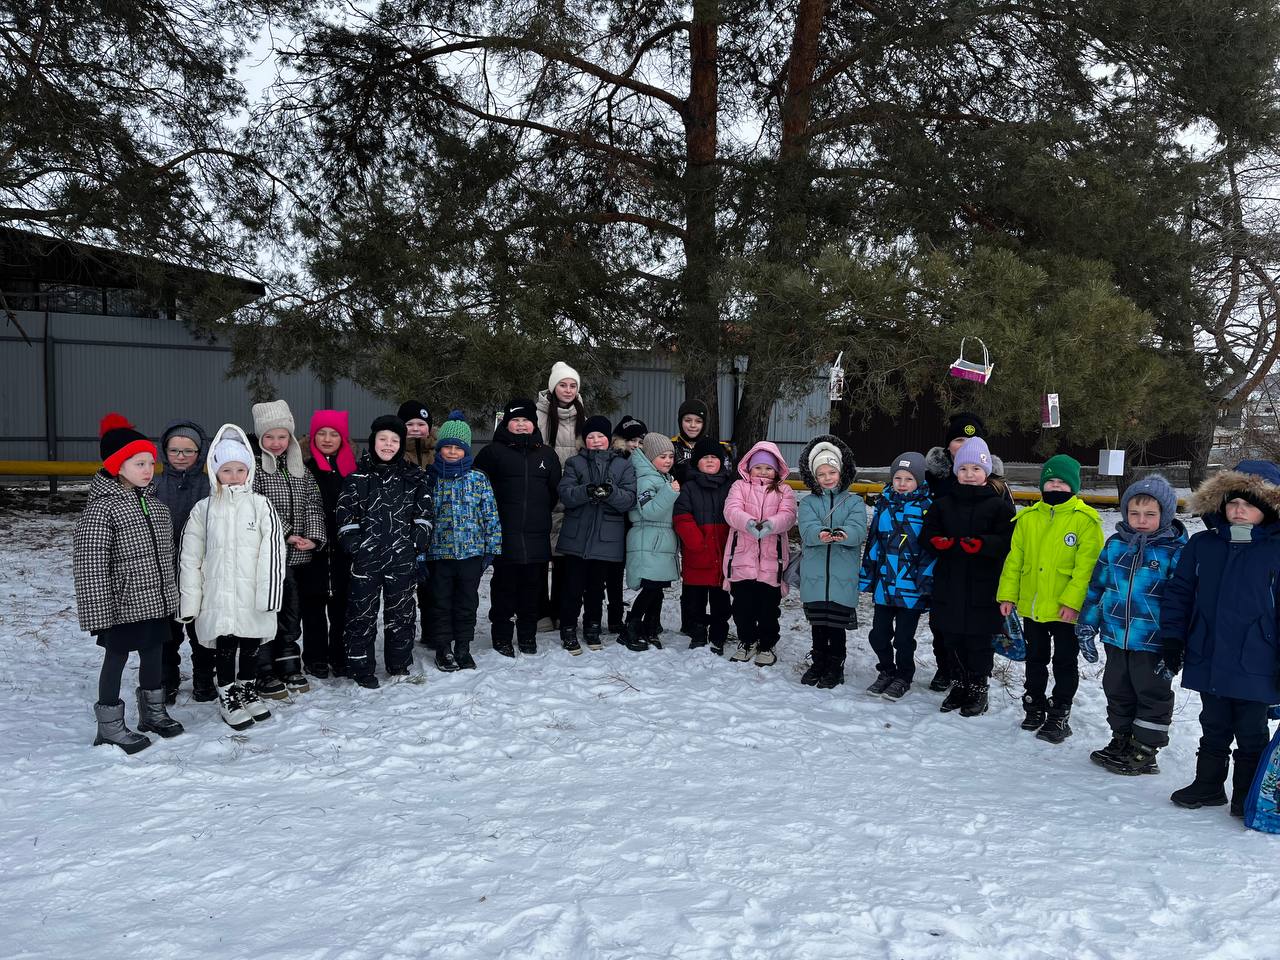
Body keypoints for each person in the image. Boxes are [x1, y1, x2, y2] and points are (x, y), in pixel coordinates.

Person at [1160, 460, 1280, 816]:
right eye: (1232, 502)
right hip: (1209, 651)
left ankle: (1246, 793)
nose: (1239, 510)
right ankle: (1209, 784)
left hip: (1257, 657)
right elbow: (1180, 592)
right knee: (1212, 725)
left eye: (1249, 504)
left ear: (1268, 508)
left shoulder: (1275, 550)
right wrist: (1173, 639)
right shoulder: (1203, 545)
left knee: (1251, 733)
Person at [74, 413, 184, 753]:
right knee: (116, 658)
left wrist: (171, 599)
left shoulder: (157, 507)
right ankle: (109, 726)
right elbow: (90, 566)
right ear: (118, 466)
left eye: (151, 462)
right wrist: (100, 613)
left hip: (154, 602)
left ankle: (152, 714)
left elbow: (167, 558)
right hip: (120, 605)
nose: (148, 469)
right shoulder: (101, 510)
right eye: (139, 463)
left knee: (154, 655)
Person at [1075, 475, 1187, 774]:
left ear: (1165, 515)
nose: (1140, 520)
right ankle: (1122, 738)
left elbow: (1182, 601)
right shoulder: (1115, 545)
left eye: (1150, 514)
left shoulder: (1175, 551)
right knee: (1117, 688)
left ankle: (1145, 749)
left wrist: (1178, 643)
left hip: (1153, 641)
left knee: (1151, 693)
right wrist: (1087, 624)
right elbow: (1097, 588)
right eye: (1134, 513)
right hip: (1115, 636)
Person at [177, 425, 285, 730]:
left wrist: (269, 593)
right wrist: (190, 601)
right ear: (215, 472)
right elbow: (190, 556)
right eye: (227, 470)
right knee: (225, 646)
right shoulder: (204, 509)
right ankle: (227, 693)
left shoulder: (261, 505)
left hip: (252, 594)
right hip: (219, 595)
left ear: (249, 471)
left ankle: (247, 688)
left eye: (240, 469)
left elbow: (273, 549)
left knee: (251, 644)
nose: (234, 475)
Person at [998, 455, 1104, 743]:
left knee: (1064, 662)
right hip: (1033, 606)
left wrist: (1072, 602)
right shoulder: (1028, 519)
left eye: (1062, 482)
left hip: (1064, 610)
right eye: (1050, 481)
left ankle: (1060, 712)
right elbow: (1014, 560)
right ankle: (1034, 704)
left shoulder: (1085, 521)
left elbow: (1087, 569)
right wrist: (1007, 594)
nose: (1055, 486)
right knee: (1035, 658)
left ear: (1074, 486)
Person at [337, 415, 435, 688]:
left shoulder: (414, 477)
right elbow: (346, 517)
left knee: (402, 613)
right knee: (361, 614)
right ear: (373, 442)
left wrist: (415, 542)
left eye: (394, 440)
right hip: (366, 559)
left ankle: (399, 663)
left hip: (402, 558)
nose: (388, 445)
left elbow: (425, 514)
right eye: (383, 439)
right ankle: (360, 667)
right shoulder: (356, 478)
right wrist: (356, 546)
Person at [920, 437, 1015, 717]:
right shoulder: (943, 504)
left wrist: (984, 545)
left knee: (978, 641)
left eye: (976, 469)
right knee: (951, 638)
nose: (969, 475)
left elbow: (1009, 541)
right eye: (964, 469)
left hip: (982, 587)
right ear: (955, 472)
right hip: (949, 583)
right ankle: (959, 683)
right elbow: (927, 534)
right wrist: (938, 542)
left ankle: (977, 688)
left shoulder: (999, 506)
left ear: (986, 472)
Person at [251, 399, 327, 699]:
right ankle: (264, 667)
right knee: (268, 611)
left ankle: (288, 661)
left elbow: (313, 504)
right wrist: (288, 534)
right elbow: (258, 505)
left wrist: (313, 537)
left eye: (282, 436)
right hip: (269, 556)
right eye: (269, 437)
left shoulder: (302, 470)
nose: (277, 442)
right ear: (260, 439)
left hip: (297, 556)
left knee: (292, 612)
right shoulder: (255, 469)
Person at [475, 398, 562, 657]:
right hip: (504, 536)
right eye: (516, 420)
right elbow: (479, 490)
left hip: (536, 536)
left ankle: (527, 636)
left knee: (532, 590)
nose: (521, 425)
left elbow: (554, 492)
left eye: (526, 420)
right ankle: (501, 637)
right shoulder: (491, 453)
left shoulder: (547, 455)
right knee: (504, 589)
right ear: (506, 423)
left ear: (534, 424)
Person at [424, 413, 502, 671]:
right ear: (439, 448)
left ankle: (463, 647)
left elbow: (490, 514)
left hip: (471, 554)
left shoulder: (478, 479)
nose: (453, 452)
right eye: (448, 446)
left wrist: (491, 548)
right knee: (441, 601)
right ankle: (443, 647)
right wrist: (420, 552)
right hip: (439, 554)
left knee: (467, 601)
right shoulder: (430, 479)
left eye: (458, 448)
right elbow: (421, 516)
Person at [556, 415, 637, 654]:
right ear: (584, 440)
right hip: (577, 536)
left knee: (595, 587)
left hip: (606, 538)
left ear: (609, 439)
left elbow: (629, 500)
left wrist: (610, 493)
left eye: (600, 436)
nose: (596, 440)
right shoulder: (574, 463)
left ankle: (592, 627)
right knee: (572, 586)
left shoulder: (623, 465)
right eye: (590, 436)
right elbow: (566, 493)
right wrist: (587, 491)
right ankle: (568, 627)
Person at [859, 452, 935, 700]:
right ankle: (886, 670)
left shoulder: (927, 509)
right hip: (884, 584)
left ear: (920, 481)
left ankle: (903, 675)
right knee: (878, 634)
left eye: (909, 479)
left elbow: (929, 550)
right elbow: (874, 544)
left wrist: (926, 582)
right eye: (898, 478)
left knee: (903, 638)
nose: (902, 483)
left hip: (911, 587)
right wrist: (867, 576)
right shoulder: (884, 504)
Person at [152, 418, 215, 704]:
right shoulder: (153, 485)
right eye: (175, 450)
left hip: (201, 571)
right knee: (168, 631)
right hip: (163, 571)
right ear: (165, 451)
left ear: (199, 453)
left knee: (201, 629)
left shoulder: (211, 485)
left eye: (188, 451)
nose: (180, 456)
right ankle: (168, 677)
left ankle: (204, 676)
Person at [797, 435, 866, 688]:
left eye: (832, 471)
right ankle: (819, 661)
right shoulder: (808, 503)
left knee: (835, 626)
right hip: (815, 576)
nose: (827, 478)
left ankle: (835, 666)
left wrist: (845, 534)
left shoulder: (855, 502)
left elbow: (859, 528)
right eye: (821, 473)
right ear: (814, 477)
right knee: (818, 625)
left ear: (841, 471)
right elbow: (807, 528)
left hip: (841, 576)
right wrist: (819, 534)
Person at [723, 442, 798, 666]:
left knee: (768, 609)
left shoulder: (785, 490)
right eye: (758, 467)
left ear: (777, 470)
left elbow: (789, 515)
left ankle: (766, 644)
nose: (763, 472)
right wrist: (747, 522)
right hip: (742, 558)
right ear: (749, 467)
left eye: (768, 468)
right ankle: (747, 641)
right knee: (742, 607)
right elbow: (731, 510)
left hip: (771, 561)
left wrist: (771, 524)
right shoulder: (739, 487)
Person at [299, 409, 358, 678]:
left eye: (333, 434)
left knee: (342, 607)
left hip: (344, 551)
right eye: (321, 433)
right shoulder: (303, 468)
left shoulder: (352, 470)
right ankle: (315, 657)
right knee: (313, 607)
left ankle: (339, 654)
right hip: (314, 550)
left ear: (342, 438)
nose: (327, 438)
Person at [673, 436, 735, 654]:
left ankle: (718, 635)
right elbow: (682, 516)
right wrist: (696, 542)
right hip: (697, 554)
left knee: (720, 603)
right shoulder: (689, 487)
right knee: (695, 602)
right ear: (696, 461)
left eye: (714, 457)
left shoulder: (729, 487)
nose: (710, 461)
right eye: (705, 457)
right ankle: (698, 633)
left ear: (722, 461)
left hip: (721, 556)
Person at [620, 433, 682, 651]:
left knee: (658, 587)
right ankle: (631, 626)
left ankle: (650, 626)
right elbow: (649, 511)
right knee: (651, 587)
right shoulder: (646, 479)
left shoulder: (662, 478)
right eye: (662, 456)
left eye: (670, 457)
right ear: (649, 458)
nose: (668, 461)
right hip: (648, 538)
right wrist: (669, 492)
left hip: (661, 539)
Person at [537, 361, 586, 631]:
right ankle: (541, 611)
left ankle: (560, 611)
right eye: (563, 384)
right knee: (540, 555)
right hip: (544, 493)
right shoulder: (537, 415)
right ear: (553, 387)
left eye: (572, 385)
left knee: (565, 557)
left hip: (571, 495)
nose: (567, 390)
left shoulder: (582, 416)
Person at [607, 415, 648, 632]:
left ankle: (639, 616)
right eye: (631, 440)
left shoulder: (647, 462)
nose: (635, 445)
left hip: (637, 525)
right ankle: (614, 616)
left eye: (640, 441)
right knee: (612, 572)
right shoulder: (614, 460)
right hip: (614, 522)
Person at [398, 400, 436, 469]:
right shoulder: (395, 453)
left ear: (429, 429)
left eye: (421, 424)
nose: (415, 429)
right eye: (409, 424)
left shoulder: (439, 452)